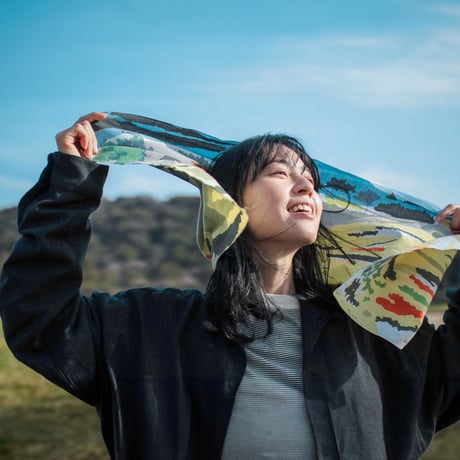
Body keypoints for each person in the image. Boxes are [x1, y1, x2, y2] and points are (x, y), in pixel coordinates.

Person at [1, 111, 460, 460]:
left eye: (311, 180)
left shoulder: (374, 336)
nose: (304, 185)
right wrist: (70, 186)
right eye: (280, 172)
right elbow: (40, 319)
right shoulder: (152, 327)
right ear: (227, 201)